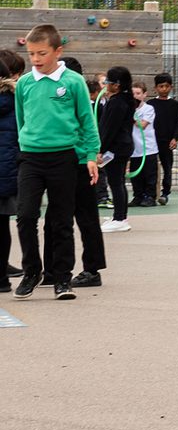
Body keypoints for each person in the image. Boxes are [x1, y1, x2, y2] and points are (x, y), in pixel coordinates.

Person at [13, 26, 98, 301]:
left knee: (61, 220)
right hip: (31, 158)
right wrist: (28, 143)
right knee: (26, 216)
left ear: (57, 51)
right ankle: (31, 272)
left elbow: (87, 121)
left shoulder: (73, 82)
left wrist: (90, 155)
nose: (35, 59)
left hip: (64, 157)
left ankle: (62, 279)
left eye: (42, 53)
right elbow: (21, 120)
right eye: (31, 54)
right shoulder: (25, 83)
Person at [61, 55, 107, 283]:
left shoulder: (79, 100)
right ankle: (54, 270)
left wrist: (90, 155)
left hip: (80, 163)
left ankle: (92, 269)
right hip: (60, 162)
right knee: (58, 220)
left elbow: (90, 130)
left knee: (86, 218)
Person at [97, 66, 137, 233]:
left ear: (117, 85)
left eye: (108, 82)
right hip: (123, 145)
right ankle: (120, 216)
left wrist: (100, 150)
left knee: (115, 182)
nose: (105, 85)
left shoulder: (117, 103)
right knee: (118, 181)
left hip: (116, 148)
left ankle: (120, 218)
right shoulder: (126, 99)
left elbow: (109, 129)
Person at [0, 51, 22, 293]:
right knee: (2, 226)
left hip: (5, 170)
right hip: (9, 173)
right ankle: (2, 278)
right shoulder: (15, 102)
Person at [150, 73, 178, 206]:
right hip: (152, 142)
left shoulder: (174, 104)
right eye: (161, 86)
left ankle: (165, 193)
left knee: (167, 168)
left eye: (167, 86)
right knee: (151, 169)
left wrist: (175, 138)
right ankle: (150, 193)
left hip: (167, 142)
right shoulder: (150, 104)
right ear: (155, 88)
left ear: (171, 87)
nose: (164, 89)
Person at [130, 82, 159, 209]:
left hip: (148, 149)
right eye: (133, 94)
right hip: (134, 149)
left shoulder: (148, 109)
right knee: (136, 175)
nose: (135, 96)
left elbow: (142, 124)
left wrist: (130, 116)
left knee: (149, 175)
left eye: (138, 93)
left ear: (144, 94)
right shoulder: (129, 109)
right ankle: (138, 196)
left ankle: (150, 197)